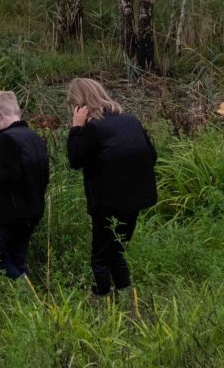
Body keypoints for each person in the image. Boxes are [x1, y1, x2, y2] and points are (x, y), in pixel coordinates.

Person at [65, 77, 157, 297]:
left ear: (80, 105)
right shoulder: (130, 120)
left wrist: (76, 128)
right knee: (117, 250)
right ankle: (125, 294)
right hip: (136, 198)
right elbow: (151, 156)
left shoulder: (92, 128)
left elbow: (75, 160)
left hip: (107, 202)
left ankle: (102, 298)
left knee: (100, 254)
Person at [0, 89, 49, 281]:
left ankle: (27, 297)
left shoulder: (6, 138)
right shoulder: (34, 138)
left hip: (11, 213)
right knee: (18, 257)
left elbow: (11, 176)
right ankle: (28, 303)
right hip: (34, 209)